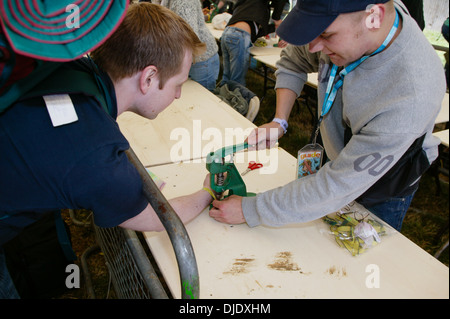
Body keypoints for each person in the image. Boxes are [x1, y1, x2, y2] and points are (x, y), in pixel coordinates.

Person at [0, 3, 215, 298]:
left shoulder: (74, 67)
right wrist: (208, 192)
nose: (178, 95)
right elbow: (158, 218)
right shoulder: (98, 160)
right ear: (149, 78)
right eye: (178, 84)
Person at [209, 0, 446, 232]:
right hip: (337, 160)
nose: (313, 47)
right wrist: (279, 120)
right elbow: (293, 61)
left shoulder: (411, 95)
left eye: (325, 35)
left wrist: (252, 210)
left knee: (359, 256)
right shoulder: (354, 25)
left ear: (375, 17)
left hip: (381, 186)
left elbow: (336, 185)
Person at [219, 0, 288, 86]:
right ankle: (234, 98)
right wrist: (276, 18)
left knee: (226, 77)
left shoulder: (247, 6)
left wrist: (275, 27)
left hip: (227, 33)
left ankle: (222, 96)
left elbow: (256, 32)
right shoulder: (260, 7)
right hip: (239, 36)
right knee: (237, 81)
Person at [160, 0, 220, 91]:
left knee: (202, 99)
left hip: (201, 59)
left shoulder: (185, 2)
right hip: (188, 57)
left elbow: (189, 38)